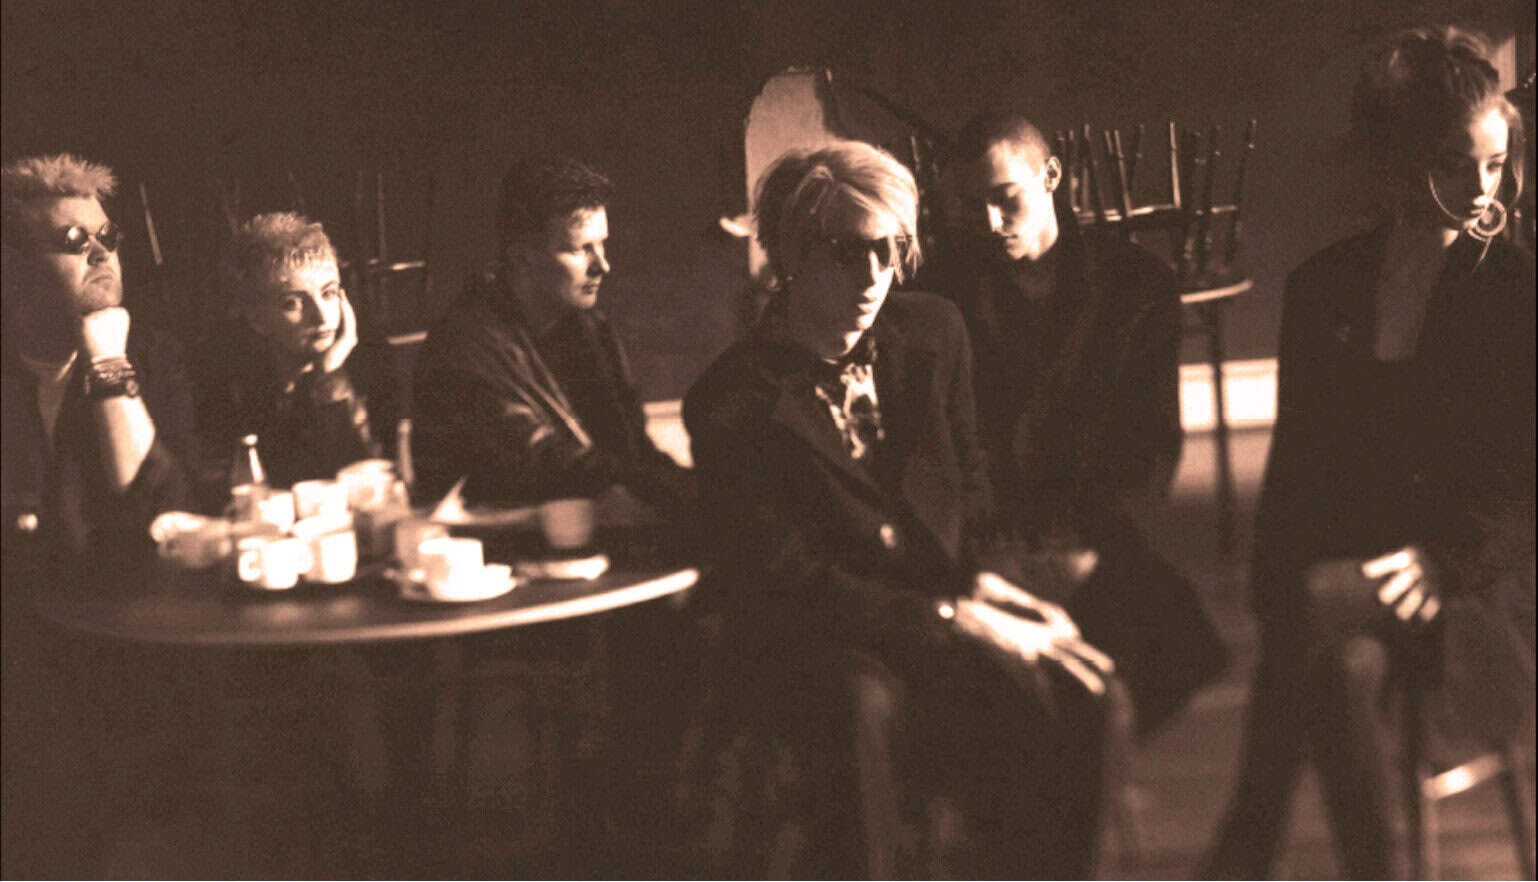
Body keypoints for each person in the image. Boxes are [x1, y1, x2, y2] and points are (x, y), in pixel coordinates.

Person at [683, 140, 1117, 878]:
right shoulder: (733, 402)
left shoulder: (933, 332)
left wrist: (985, 579)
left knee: (1085, 691)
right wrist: (953, 619)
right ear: (790, 255)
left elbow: (969, 481)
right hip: (829, 633)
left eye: (891, 249)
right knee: (858, 711)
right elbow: (788, 578)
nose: (876, 276)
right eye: (848, 252)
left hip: (941, 602)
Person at [1202, 26, 1534, 879]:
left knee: (1315, 636)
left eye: (1495, 164)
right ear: (1396, 161)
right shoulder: (1324, 290)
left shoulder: (1518, 292)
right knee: (1331, 658)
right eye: (1455, 163)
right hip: (1354, 591)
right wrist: (1289, 589)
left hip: (1484, 592)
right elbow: (1298, 473)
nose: (1480, 188)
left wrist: (1440, 559)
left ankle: (1245, 850)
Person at [935, 110, 1227, 736]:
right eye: (970, 205)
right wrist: (992, 545)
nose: (989, 223)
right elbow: (947, 444)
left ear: (1052, 177)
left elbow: (1153, 437)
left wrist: (1087, 544)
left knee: (1170, 644)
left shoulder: (1137, 284)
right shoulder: (942, 292)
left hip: (1093, 525)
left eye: (1004, 198)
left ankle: (1090, 765)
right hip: (992, 536)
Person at [1, 153, 196, 876]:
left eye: (107, 236)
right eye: (72, 241)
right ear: (9, 270)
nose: (102, 252)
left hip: (125, 654)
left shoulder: (151, 357)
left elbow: (166, 516)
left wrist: (108, 363)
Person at [413, 156, 692, 518]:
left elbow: (636, 453)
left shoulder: (590, 328)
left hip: (595, 530)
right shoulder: (464, 349)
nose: (602, 266)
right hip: (504, 553)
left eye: (602, 244)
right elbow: (545, 468)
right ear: (523, 255)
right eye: (580, 249)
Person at [193, 211, 391, 499]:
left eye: (329, 293)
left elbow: (370, 491)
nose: (322, 316)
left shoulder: (369, 358)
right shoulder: (226, 377)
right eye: (293, 303)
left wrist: (331, 378)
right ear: (256, 318)